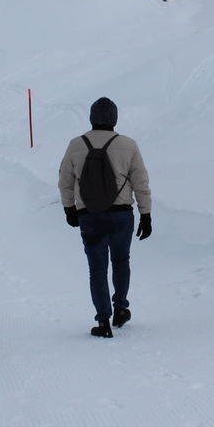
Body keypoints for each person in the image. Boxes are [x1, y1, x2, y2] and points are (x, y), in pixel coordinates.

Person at [58, 97, 152, 338]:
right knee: (121, 261)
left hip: (90, 217)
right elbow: (141, 183)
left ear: (91, 118)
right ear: (115, 118)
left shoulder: (76, 145)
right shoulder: (128, 145)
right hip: (121, 216)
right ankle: (121, 308)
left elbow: (65, 181)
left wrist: (70, 209)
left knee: (97, 270)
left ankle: (103, 322)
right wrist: (146, 215)